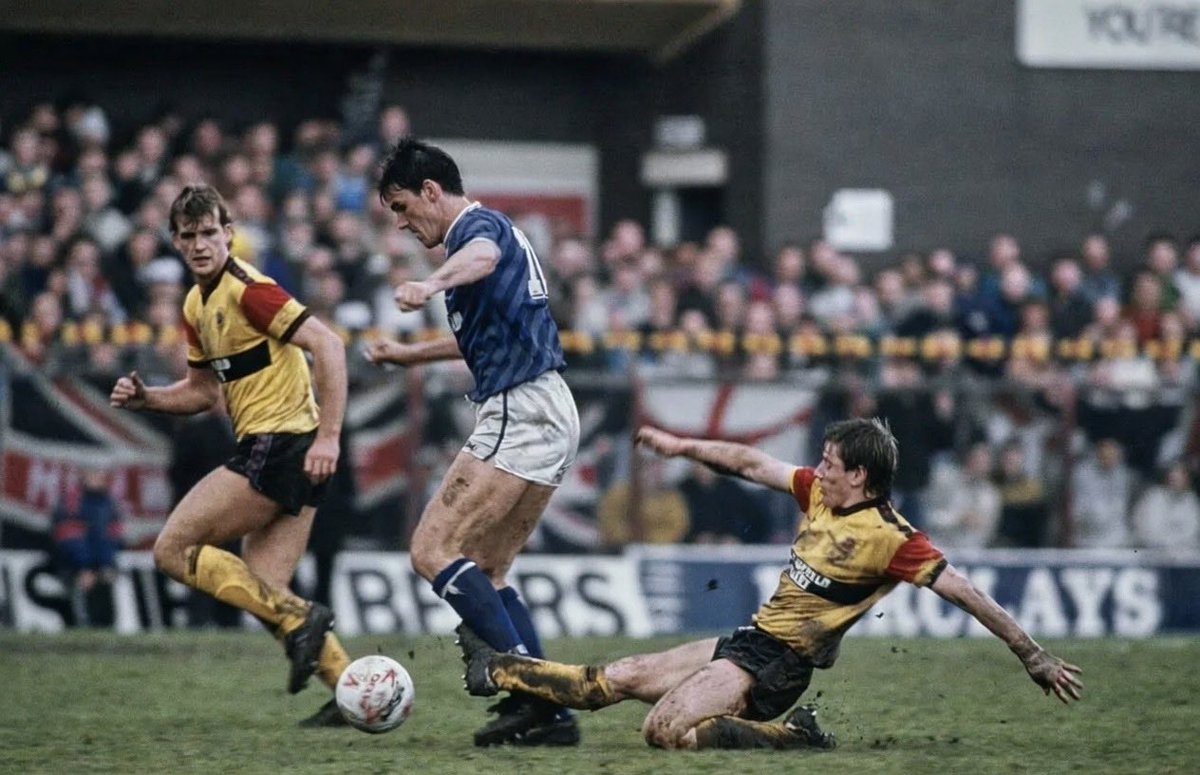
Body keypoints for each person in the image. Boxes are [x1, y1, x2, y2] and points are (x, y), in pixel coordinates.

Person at [457, 419, 1083, 751]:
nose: (819, 467)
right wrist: (681, 447)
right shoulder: (818, 493)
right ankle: (503, 669)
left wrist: (1032, 655)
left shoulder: (892, 537)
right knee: (614, 680)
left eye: (832, 462)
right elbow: (750, 462)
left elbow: (966, 590)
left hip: (781, 665)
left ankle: (790, 739)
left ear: (859, 475)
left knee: (664, 736)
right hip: (749, 640)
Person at [108, 183, 353, 725]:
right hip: (289, 449)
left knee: (172, 549)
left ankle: (301, 618)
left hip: (282, 444)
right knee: (264, 584)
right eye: (189, 235)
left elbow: (329, 345)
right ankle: (350, 693)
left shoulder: (248, 289)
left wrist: (331, 436)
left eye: (210, 233)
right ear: (174, 241)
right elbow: (201, 392)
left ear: (229, 235)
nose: (201, 244)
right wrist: (149, 399)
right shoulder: (196, 302)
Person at [363, 138, 581, 746]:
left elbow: (480, 257)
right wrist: (411, 355)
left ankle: (523, 685)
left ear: (432, 191)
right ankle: (552, 716)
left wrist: (430, 288)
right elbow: (478, 337)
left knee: (432, 549)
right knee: (489, 567)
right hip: (549, 407)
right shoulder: (484, 237)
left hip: (520, 407)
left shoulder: (476, 228)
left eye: (405, 208)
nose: (403, 224)